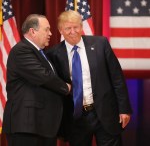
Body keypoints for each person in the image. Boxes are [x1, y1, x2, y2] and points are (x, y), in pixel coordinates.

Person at [46, 10, 132, 146]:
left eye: (76, 27)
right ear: (60, 30)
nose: (73, 31)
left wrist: (124, 109)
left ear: (81, 27)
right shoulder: (53, 54)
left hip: (105, 113)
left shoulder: (100, 44)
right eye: (68, 28)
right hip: (76, 118)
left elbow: (117, 78)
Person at [2, 14, 71, 146]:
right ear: (33, 31)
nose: (50, 33)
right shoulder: (21, 50)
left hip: (41, 125)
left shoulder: (41, 53)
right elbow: (43, 76)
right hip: (27, 126)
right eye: (46, 29)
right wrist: (66, 87)